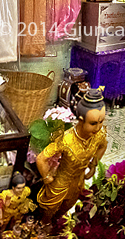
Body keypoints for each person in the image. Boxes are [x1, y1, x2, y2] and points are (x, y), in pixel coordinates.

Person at [36, 88, 108, 222]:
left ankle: (57, 225)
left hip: (78, 180)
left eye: (101, 122)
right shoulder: (66, 139)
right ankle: (43, 227)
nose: (98, 128)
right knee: (49, 209)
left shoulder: (99, 135)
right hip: (61, 182)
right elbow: (41, 158)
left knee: (67, 207)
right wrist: (46, 177)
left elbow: (103, 145)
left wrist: (93, 165)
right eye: (93, 123)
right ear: (81, 120)